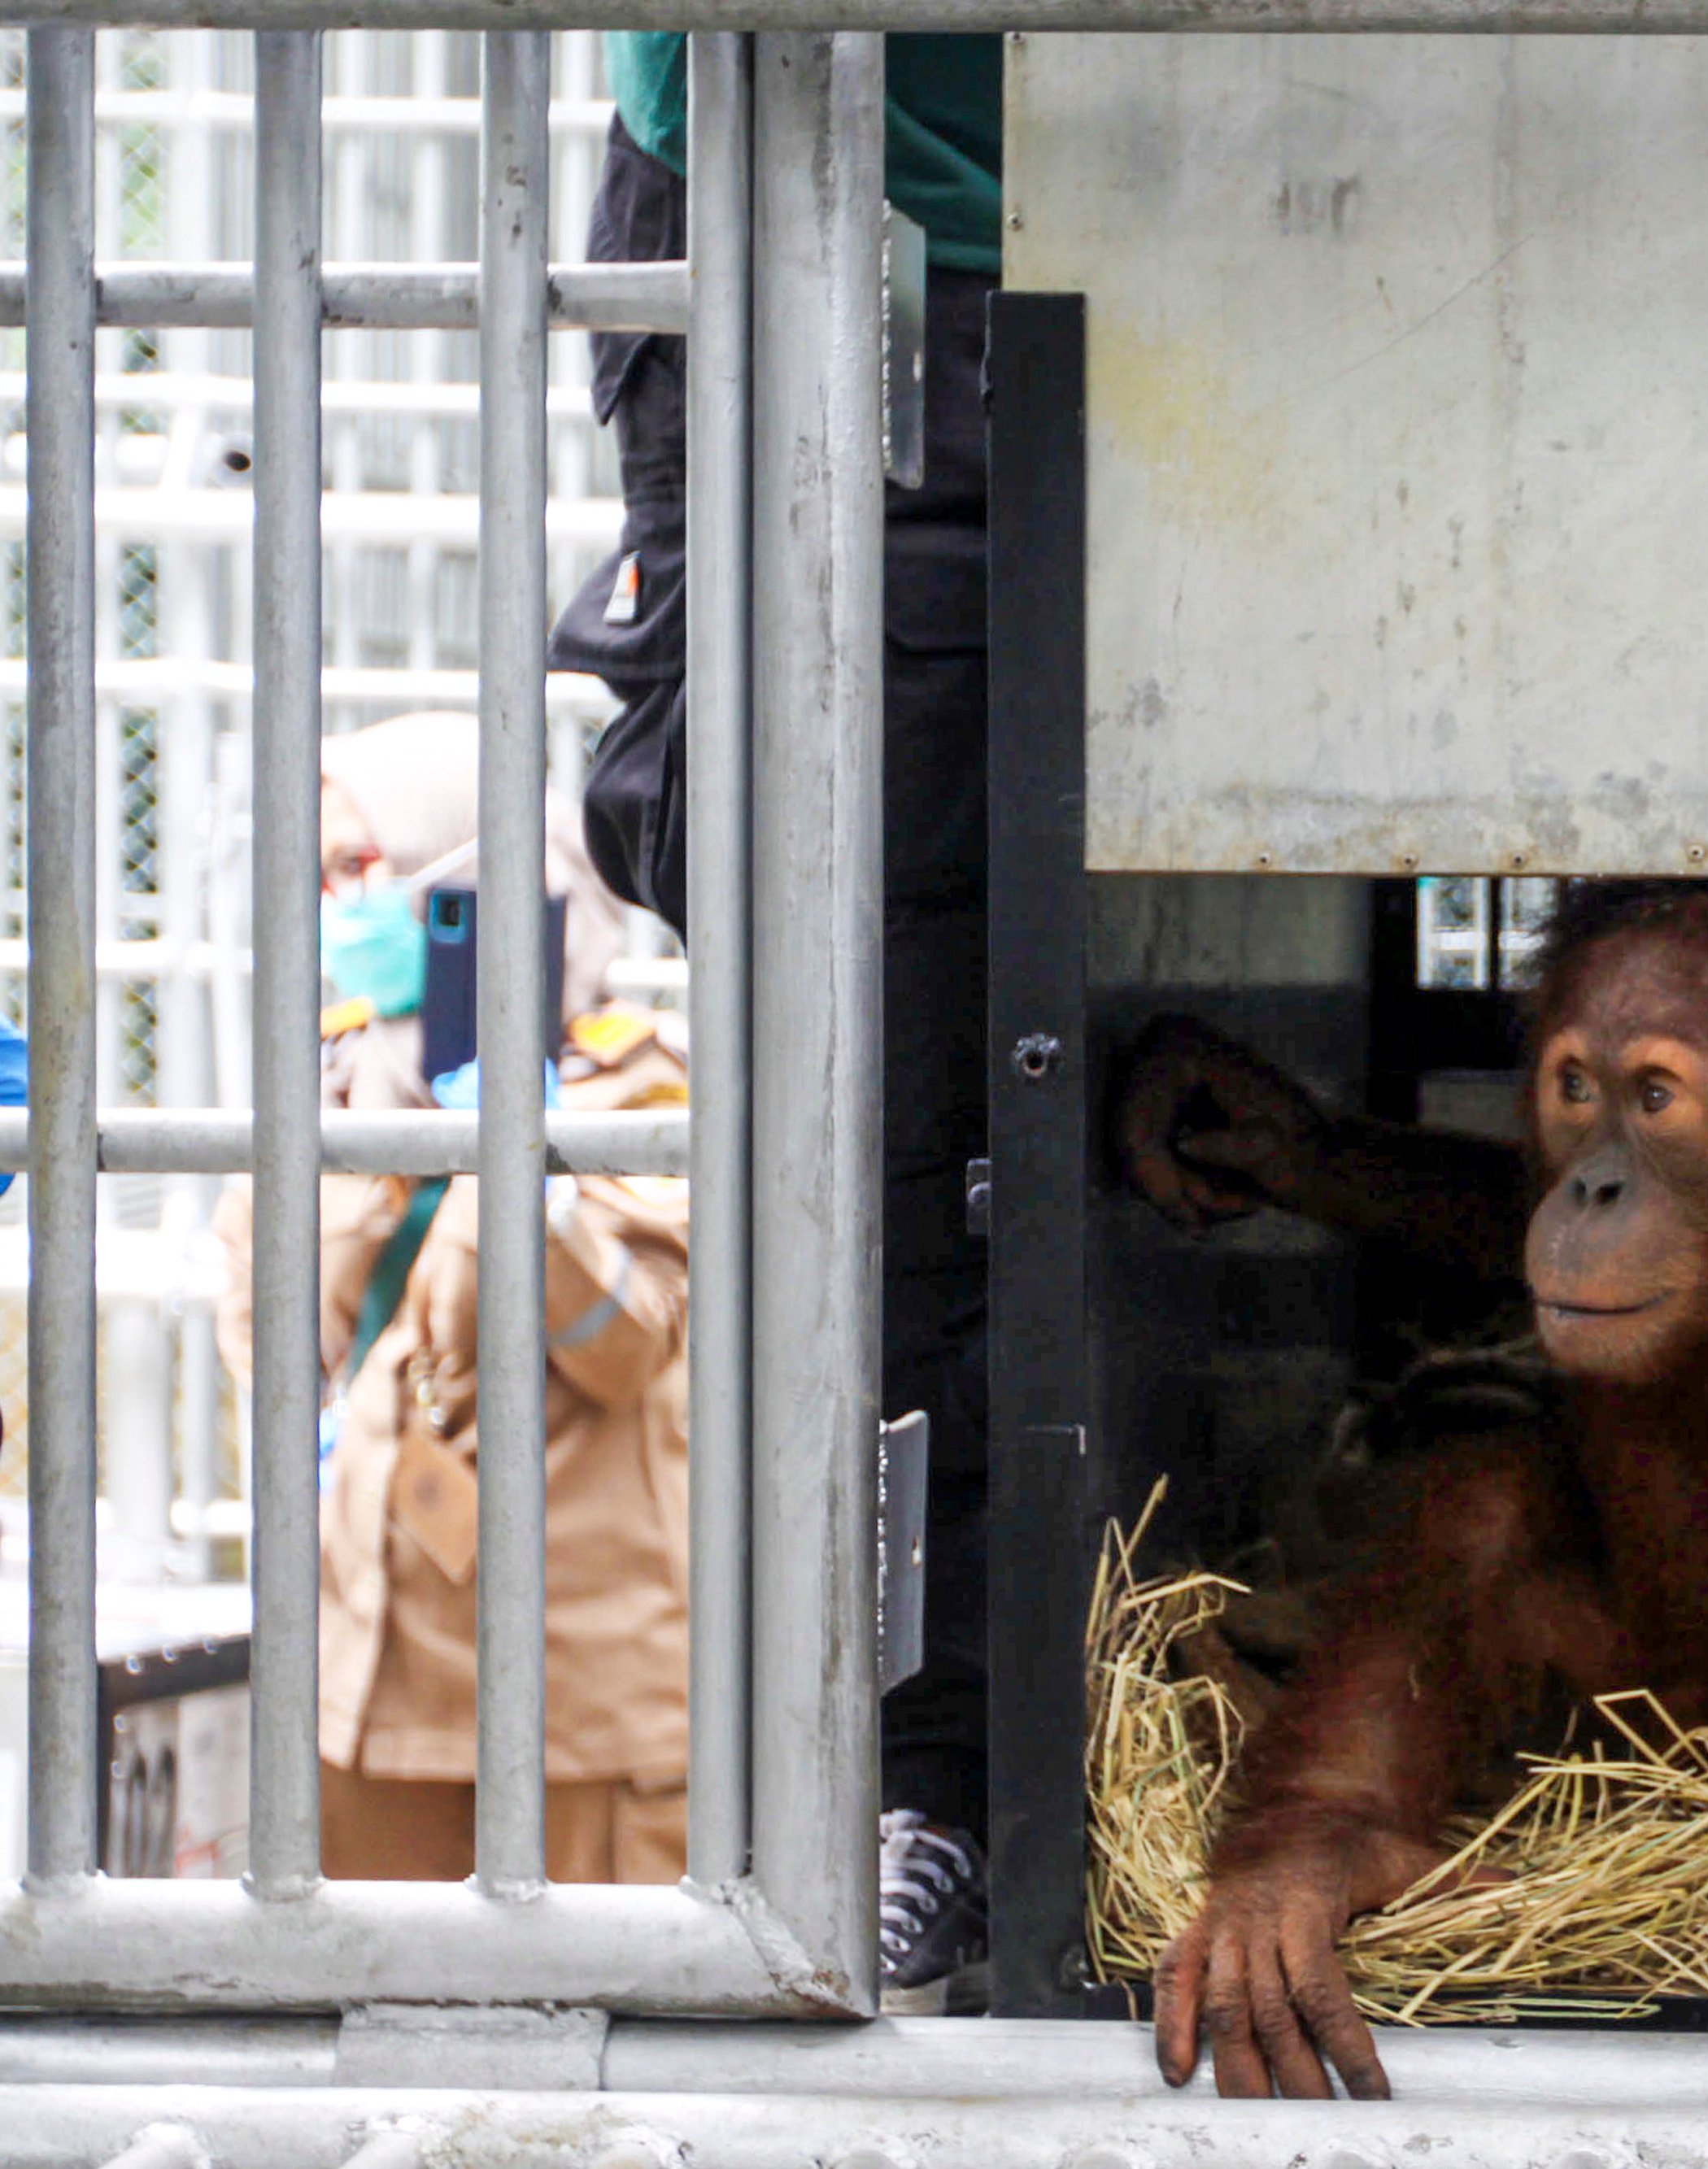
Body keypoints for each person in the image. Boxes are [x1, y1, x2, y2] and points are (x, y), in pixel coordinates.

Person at [553, 34, 1000, 2005]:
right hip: (810, 189)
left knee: (948, 1043)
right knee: (866, 1030)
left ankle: (934, 1772)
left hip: (1089, 186)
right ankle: (915, 1781)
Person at [214, 712, 696, 1882]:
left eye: (362, 869)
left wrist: (514, 1155)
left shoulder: (637, 1093)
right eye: (324, 873)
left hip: (579, 1704)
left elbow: (627, 1344)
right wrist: (376, 1137)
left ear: (475, 875)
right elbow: (270, 1338)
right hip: (365, 1687)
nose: (340, 906)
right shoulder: (326, 1084)